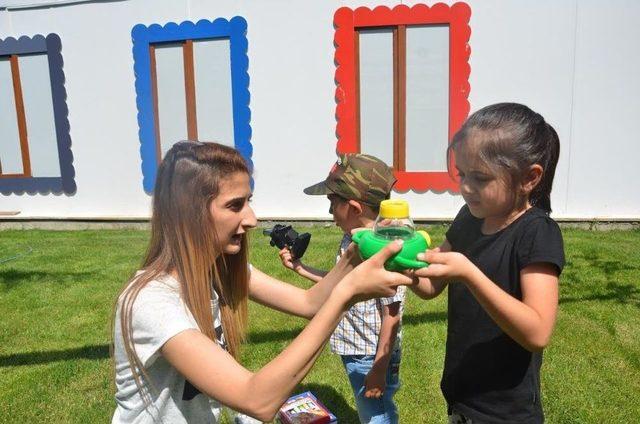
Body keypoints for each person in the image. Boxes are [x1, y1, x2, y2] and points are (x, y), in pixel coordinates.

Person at [111, 141, 412, 424]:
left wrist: (356, 254)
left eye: (248, 202)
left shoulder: (219, 272)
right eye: (235, 205)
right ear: (189, 214)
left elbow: (309, 303)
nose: (252, 218)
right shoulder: (153, 303)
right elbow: (257, 399)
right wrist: (345, 295)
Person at [408, 103, 565, 423]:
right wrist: (399, 259)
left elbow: (537, 332)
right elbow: (430, 285)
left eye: (479, 178)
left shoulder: (537, 233)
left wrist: (469, 273)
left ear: (529, 178)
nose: (465, 188)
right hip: (462, 400)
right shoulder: (468, 218)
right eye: (462, 174)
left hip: (506, 412)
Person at [278, 153, 404, 424]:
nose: (329, 212)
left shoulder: (386, 249)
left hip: (370, 354)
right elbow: (340, 281)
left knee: (377, 414)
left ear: (355, 208)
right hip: (357, 350)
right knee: (369, 410)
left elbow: (392, 313)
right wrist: (300, 268)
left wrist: (379, 367)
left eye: (333, 203)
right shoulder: (352, 239)